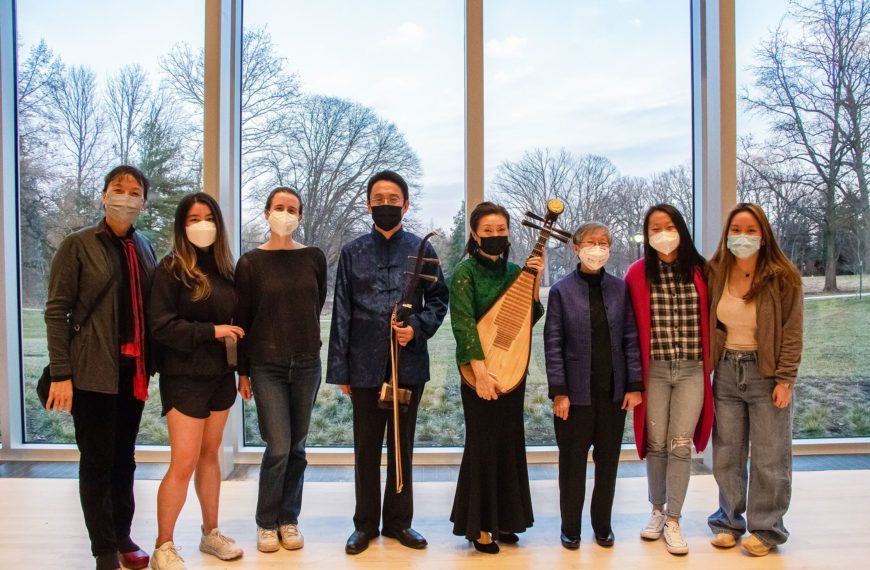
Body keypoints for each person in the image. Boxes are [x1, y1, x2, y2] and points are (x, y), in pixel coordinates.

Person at [326, 170, 449, 555]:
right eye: (378, 199)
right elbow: (342, 311)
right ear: (368, 205)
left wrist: (416, 328)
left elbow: (439, 300)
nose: (385, 205)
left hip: (407, 362)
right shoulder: (352, 251)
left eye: (393, 199)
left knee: (402, 445)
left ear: (406, 205)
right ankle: (364, 525)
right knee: (365, 447)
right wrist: (341, 369)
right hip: (363, 364)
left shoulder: (422, 249)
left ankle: (399, 522)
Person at [44, 165, 158, 570]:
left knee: (124, 458)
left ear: (144, 202)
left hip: (132, 372)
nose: (126, 197)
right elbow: (57, 310)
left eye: (134, 192)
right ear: (104, 195)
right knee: (96, 460)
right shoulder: (78, 245)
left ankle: (123, 535)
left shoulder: (144, 246)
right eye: (118, 189)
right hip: (91, 370)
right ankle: (104, 549)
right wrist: (61, 373)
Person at [147, 193, 243, 569]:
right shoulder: (171, 269)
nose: (202, 225)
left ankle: (210, 533)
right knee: (183, 462)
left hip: (220, 376)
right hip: (184, 376)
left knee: (209, 455)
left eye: (208, 218)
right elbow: (161, 326)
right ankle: (163, 545)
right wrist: (211, 331)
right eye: (193, 219)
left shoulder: (226, 270)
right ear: (181, 226)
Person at [706, 203, 803, 557]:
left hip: (766, 374)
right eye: (736, 230)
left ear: (763, 236)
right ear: (726, 234)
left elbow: (792, 332)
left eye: (750, 230)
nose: (742, 237)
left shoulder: (783, 276)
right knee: (728, 452)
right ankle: (728, 521)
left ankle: (767, 528)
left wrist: (785, 380)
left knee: (770, 456)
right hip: (726, 371)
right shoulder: (715, 271)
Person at [235, 187, 327, 553]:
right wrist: (243, 372)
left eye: (292, 209)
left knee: (298, 446)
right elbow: (243, 319)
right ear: (266, 212)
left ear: (300, 216)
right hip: (266, 365)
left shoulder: (313, 257)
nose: (285, 214)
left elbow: (316, 303)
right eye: (279, 207)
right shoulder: (250, 263)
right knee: (278, 446)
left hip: (306, 363)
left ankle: (289, 519)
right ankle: (265, 522)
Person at [449, 201, 543, 554]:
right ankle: (480, 526)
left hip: (512, 372)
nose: (495, 235)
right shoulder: (465, 272)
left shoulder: (516, 271)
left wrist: (535, 279)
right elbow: (463, 325)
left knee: (509, 443)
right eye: (487, 230)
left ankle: (505, 520)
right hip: (478, 373)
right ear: (475, 234)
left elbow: (526, 318)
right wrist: (481, 374)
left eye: (501, 230)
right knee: (483, 446)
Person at [544, 222, 643, 551]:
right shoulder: (561, 291)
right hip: (574, 396)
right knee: (572, 464)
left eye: (604, 242)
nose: (597, 248)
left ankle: (603, 525)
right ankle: (570, 528)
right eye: (590, 242)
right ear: (576, 248)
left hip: (613, 394)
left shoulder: (620, 289)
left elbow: (630, 337)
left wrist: (634, 384)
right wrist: (559, 391)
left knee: (608, 463)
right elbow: (553, 344)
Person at [624, 204, 714, 555]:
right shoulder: (637, 273)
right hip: (655, 371)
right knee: (657, 443)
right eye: (654, 228)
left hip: (692, 369)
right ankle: (657, 510)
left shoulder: (702, 270)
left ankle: (674, 519)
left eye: (669, 226)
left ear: (681, 229)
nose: (662, 233)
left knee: (680, 444)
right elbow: (629, 328)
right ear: (647, 235)